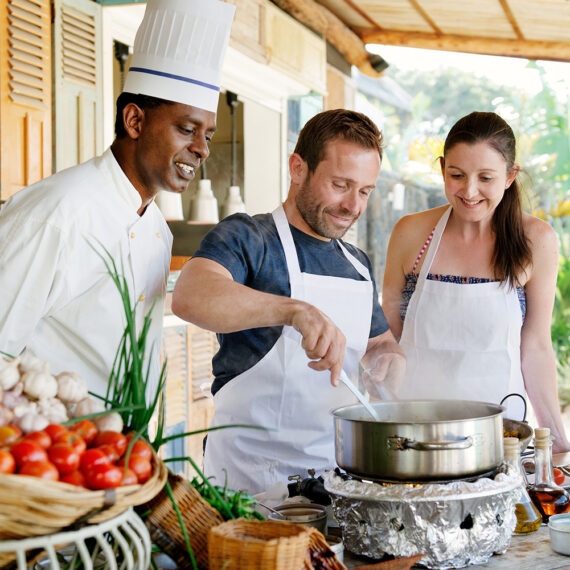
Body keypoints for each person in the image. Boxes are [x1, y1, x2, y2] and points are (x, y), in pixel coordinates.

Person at [0, 0, 235, 398]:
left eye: (207, 135)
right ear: (135, 121)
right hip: (53, 448)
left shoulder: (157, 229)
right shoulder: (57, 212)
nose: (202, 149)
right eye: (186, 129)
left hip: (122, 449)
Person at [171, 109, 406, 494]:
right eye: (340, 185)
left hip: (337, 479)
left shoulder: (357, 265)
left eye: (364, 191)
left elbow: (380, 343)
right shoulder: (249, 237)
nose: (353, 206)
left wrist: (387, 361)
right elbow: (190, 295)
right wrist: (294, 311)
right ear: (298, 168)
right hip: (250, 482)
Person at [382, 111, 570, 452]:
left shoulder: (536, 240)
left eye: (486, 177)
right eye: (457, 175)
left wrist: (558, 444)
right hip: (414, 435)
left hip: (501, 437)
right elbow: (387, 335)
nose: (469, 191)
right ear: (442, 169)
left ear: (510, 176)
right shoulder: (410, 233)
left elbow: (537, 346)